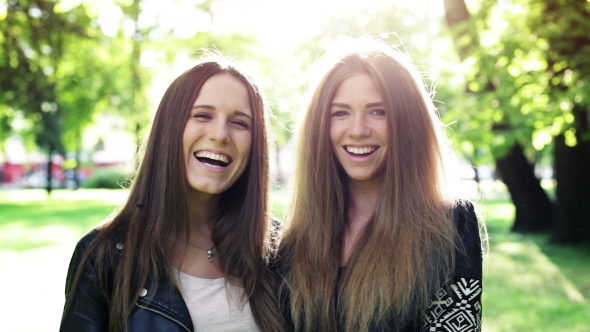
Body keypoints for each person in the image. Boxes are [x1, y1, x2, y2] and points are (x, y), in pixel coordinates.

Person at [277, 38, 486, 332]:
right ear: (320, 126)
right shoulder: (290, 243)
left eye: (379, 112)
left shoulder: (451, 226)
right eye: (341, 113)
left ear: (408, 122)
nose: (359, 130)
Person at [60, 56, 282, 332]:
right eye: (202, 115)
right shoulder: (103, 257)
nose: (220, 134)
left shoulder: (280, 252)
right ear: (170, 127)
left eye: (240, 123)